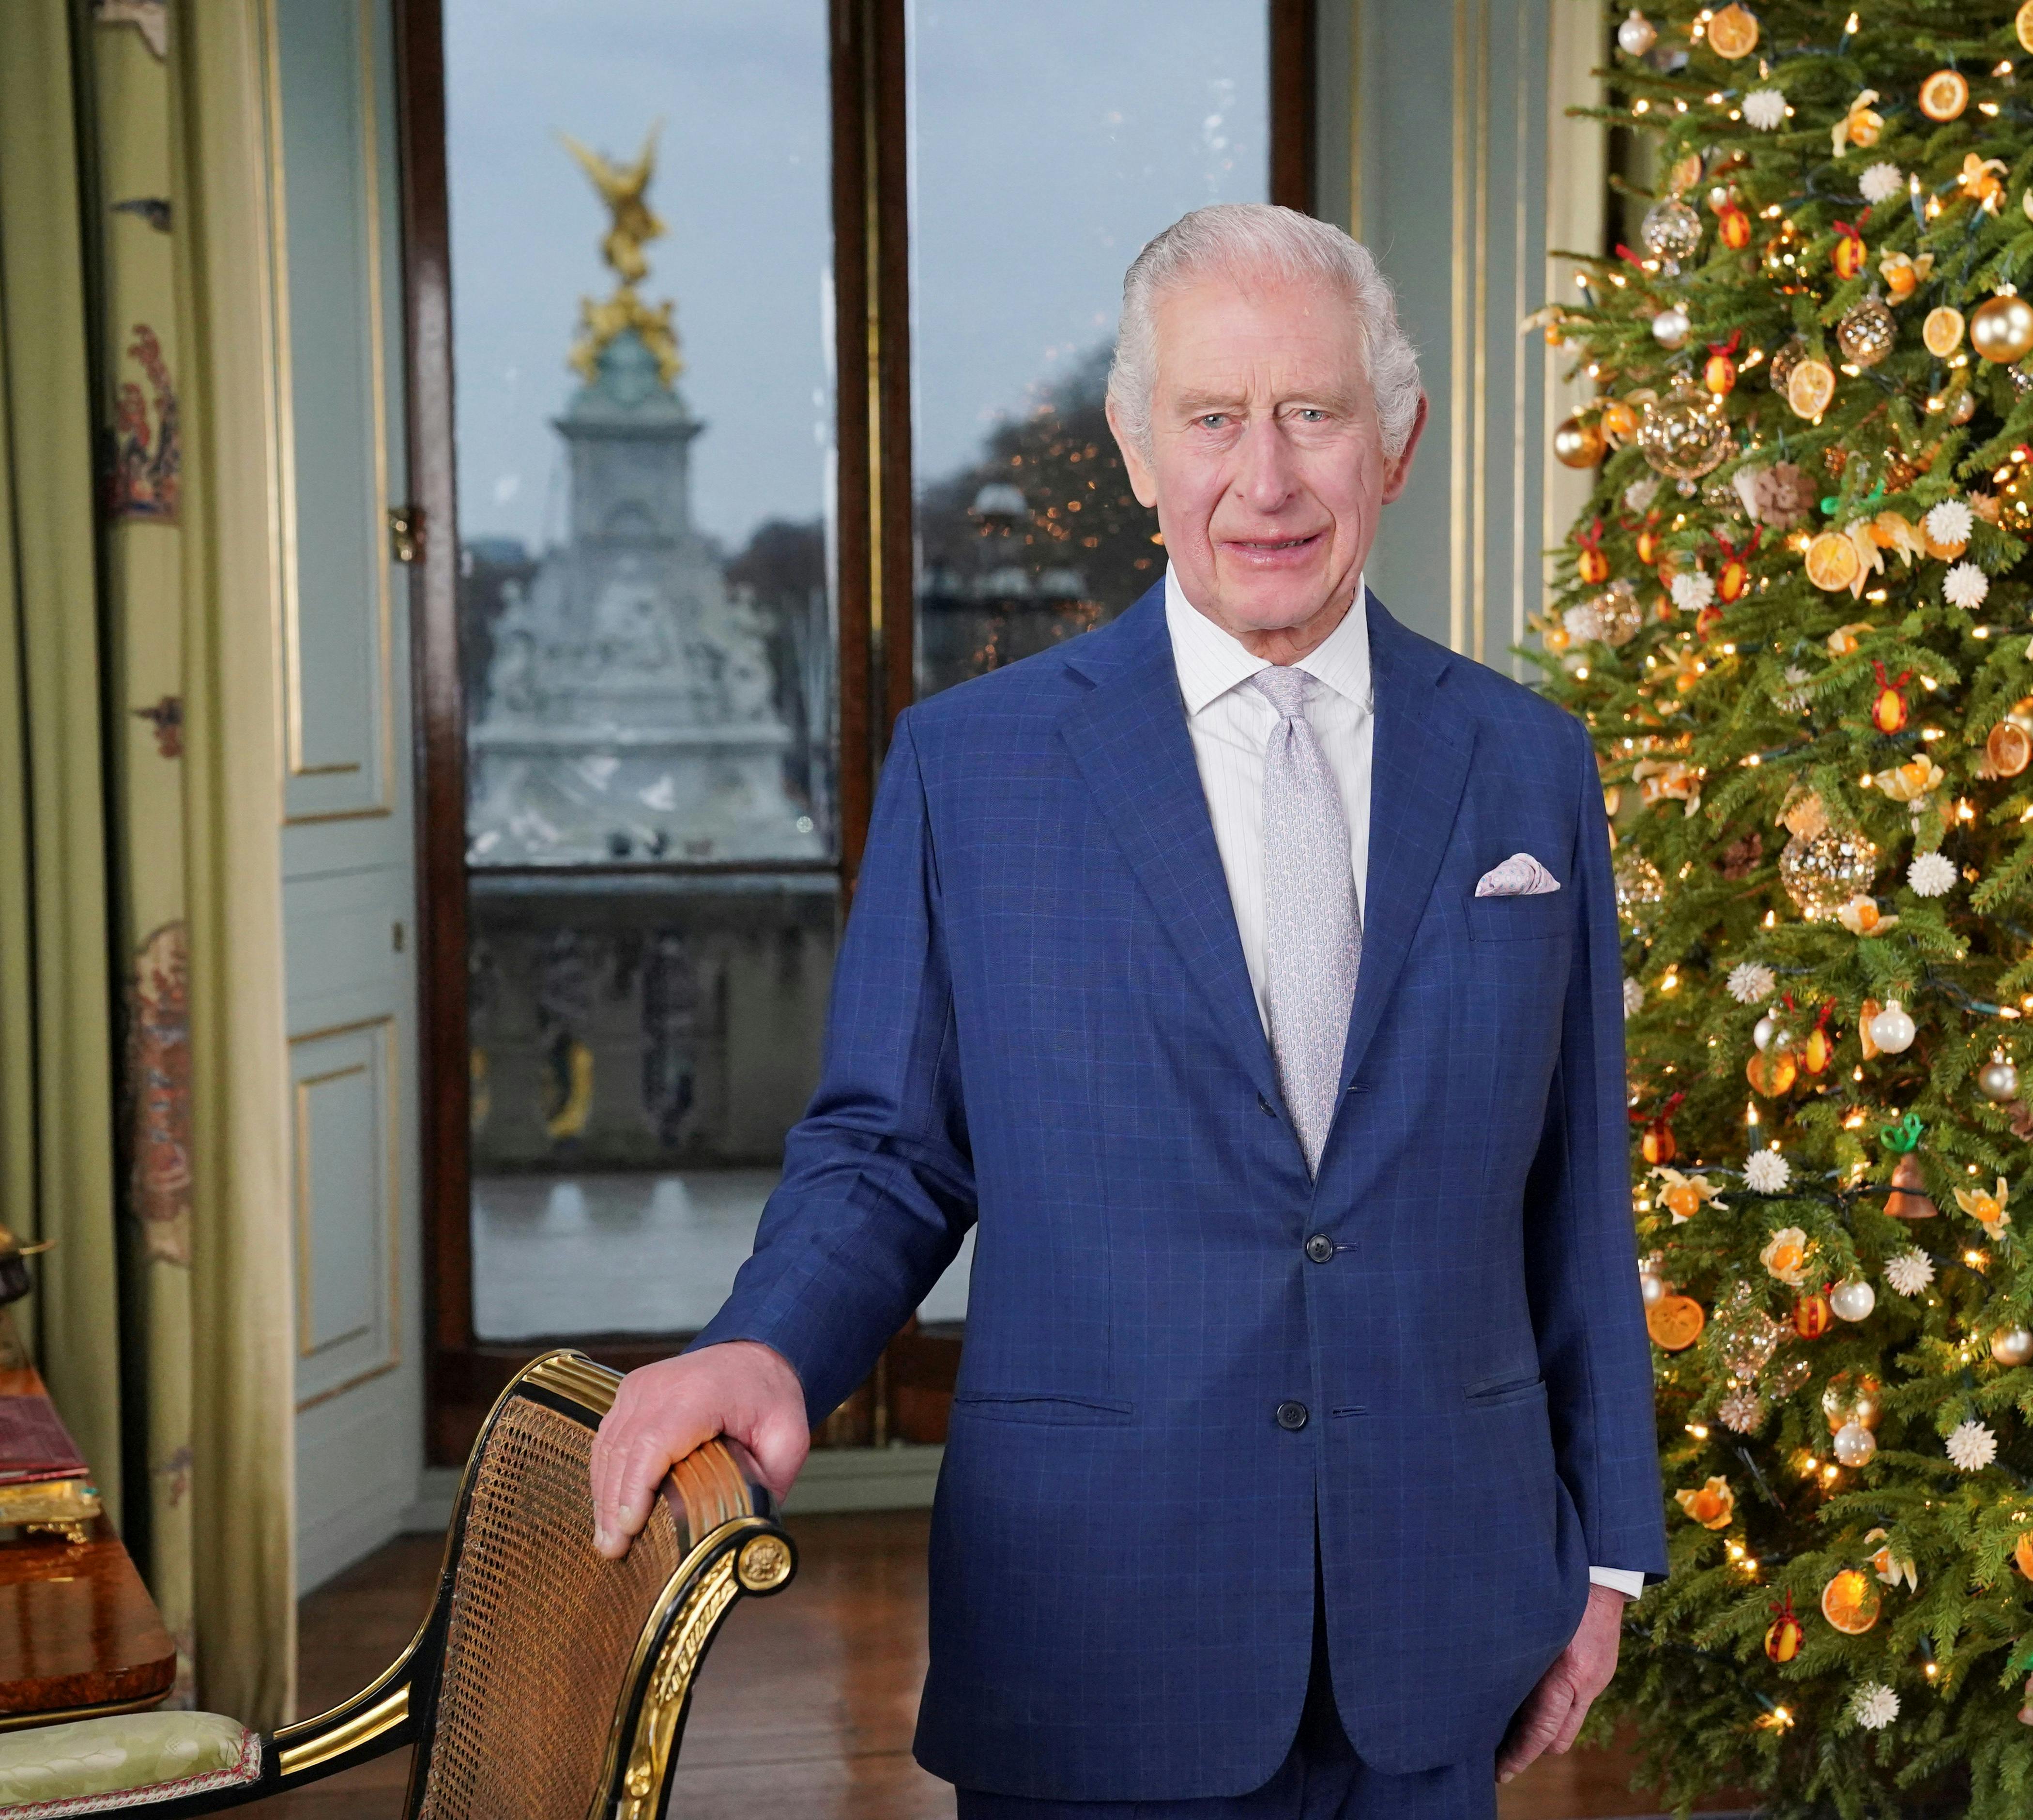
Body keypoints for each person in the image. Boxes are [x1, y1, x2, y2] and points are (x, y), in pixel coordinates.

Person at [587, 203, 1664, 1820]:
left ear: (1399, 439)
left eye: (1314, 412)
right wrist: (769, 1343)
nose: (1267, 478)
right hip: (1094, 1621)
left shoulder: (1528, 765)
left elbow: (1574, 1189)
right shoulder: (979, 768)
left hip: (1444, 1607)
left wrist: (1605, 1548)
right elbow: (888, 1150)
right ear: (1136, 446)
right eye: (1214, 419)